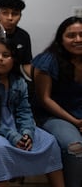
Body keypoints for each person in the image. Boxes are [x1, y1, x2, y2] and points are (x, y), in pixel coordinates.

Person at [0, 37, 64, 187]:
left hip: (19, 126)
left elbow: (25, 112)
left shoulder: (19, 82)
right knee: (0, 150)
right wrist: (13, 136)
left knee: (50, 142)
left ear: (14, 59)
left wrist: (27, 133)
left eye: (6, 55)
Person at [32, 16, 82, 187]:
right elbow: (44, 99)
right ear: (61, 38)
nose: (78, 40)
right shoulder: (48, 60)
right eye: (71, 35)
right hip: (53, 116)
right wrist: (76, 121)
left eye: (81, 35)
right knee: (75, 147)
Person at [0, 0, 33, 79]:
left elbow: (26, 64)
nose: (10, 18)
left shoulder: (23, 36)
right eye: (5, 13)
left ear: (20, 16)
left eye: (15, 13)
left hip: (16, 81)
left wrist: (39, 76)